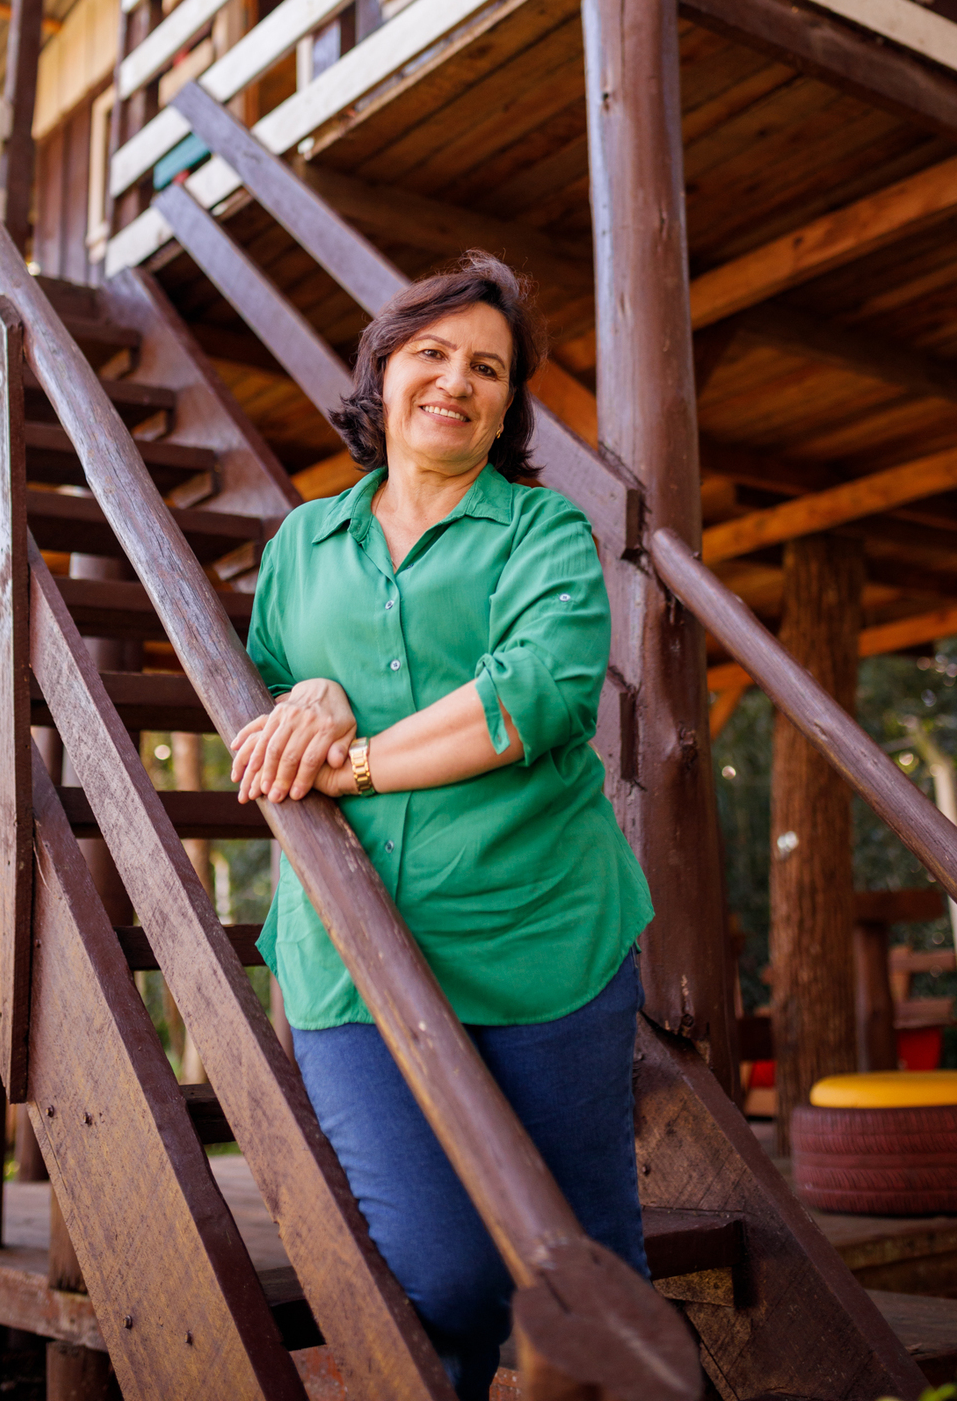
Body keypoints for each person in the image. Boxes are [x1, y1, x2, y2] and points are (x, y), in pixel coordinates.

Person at [230, 252, 653, 1401]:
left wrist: (352, 760)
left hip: (541, 945)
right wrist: (308, 701)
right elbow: (267, 693)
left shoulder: (544, 537)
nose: (455, 382)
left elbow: (532, 699)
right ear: (383, 371)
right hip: (351, 967)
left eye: (488, 368)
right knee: (450, 1279)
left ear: (508, 404)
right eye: (431, 354)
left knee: (588, 1267)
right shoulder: (299, 549)